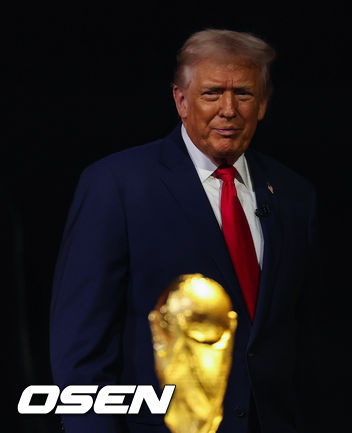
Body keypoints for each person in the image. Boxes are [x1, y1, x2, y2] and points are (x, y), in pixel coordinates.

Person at [50, 29, 321, 433]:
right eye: (212, 93)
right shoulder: (117, 185)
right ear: (181, 100)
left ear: (263, 103)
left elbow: (301, 341)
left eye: (243, 94)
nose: (228, 109)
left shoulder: (293, 194)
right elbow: (80, 347)